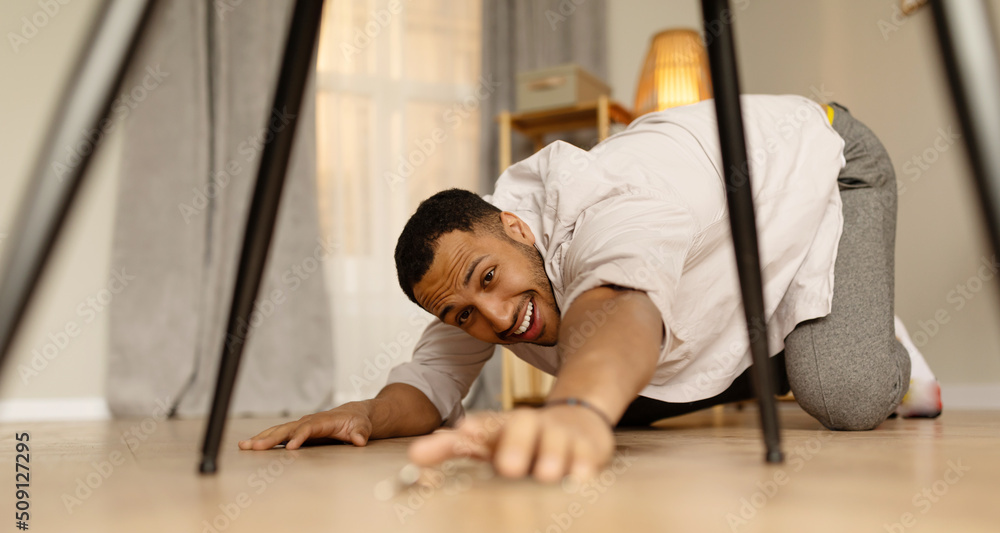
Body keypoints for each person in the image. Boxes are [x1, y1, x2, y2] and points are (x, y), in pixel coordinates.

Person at [238, 94, 941, 481]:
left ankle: (873, 333)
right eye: (463, 314)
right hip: (739, 246)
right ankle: (812, 320)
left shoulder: (605, 201)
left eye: (489, 281)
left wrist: (575, 408)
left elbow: (618, 306)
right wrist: (363, 413)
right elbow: (429, 383)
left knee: (845, 393)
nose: (494, 318)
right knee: (615, 393)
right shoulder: (476, 283)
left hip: (825, 162)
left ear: (517, 226)